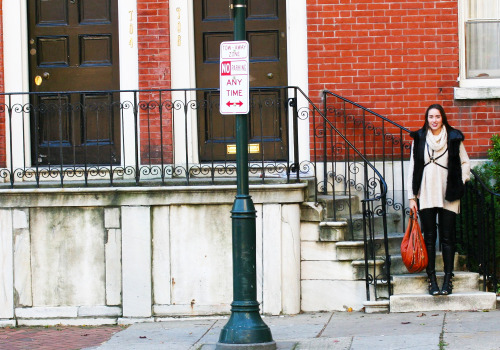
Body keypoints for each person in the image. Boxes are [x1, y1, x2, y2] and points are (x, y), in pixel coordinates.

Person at [407, 104, 470, 296]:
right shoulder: (419, 138)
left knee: (447, 237)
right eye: (430, 117)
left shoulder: (454, 137)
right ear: (427, 119)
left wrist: (461, 180)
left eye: (437, 116)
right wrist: (412, 197)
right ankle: (432, 279)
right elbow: (412, 167)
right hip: (426, 190)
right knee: (429, 238)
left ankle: (447, 279)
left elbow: (465, 161)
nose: (434, 120)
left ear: (443, 118)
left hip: (448, 191)